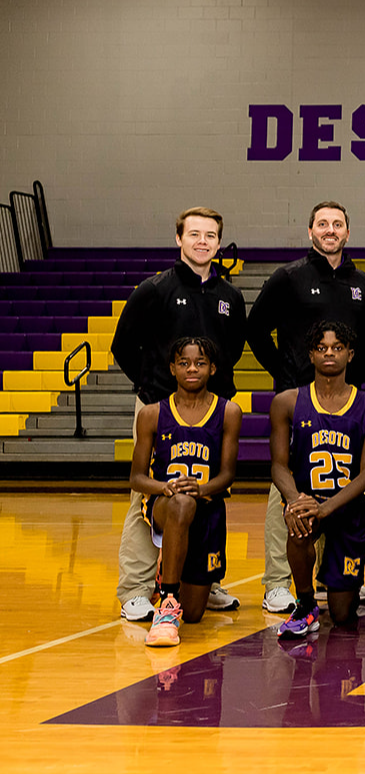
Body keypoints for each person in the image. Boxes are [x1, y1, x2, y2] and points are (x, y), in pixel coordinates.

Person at [111, 206, 247, 622]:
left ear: (219, 243)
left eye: (210, 235)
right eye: (194, 234)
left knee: (210, 494)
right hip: (161, 407)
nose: (202, 241)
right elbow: (122, 346)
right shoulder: (154, 289)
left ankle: (206, 579)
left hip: (210, 411)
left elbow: (234, 349)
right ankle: (135, 588)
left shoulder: (230, 296)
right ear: (179, 239)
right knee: (149, 494)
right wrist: (153, 388)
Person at [247, 201, 365, 614]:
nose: (330, 230)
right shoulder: (289, 276)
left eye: (338, 224)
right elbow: (255, 328)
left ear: (348, 233)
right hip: (300, 396)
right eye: (323, 224)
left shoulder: (361, 281)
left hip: (342, 399)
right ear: (310, 232)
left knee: (338, 481)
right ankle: (278, 582)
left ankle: (333, 575)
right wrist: (284, 371)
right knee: (286, 494)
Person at [268, 321, 365, 638]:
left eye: (337, 348)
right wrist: (296, 499)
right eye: (321, 348)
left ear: (350, 353)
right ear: (310, 355)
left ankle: (341, 586)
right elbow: (278, 466)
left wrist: (328, 507)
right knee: (298, 519)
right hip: (308, 500)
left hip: (348, 506)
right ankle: (305, 603)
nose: (329, 354)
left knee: (342, 613)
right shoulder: (287, 402)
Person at [129, 336, 242, 647]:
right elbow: (136, 478)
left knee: (193, 614)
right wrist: (163, 487)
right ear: (172, 368)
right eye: (184, 363)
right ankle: (166, 604)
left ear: (213, 368)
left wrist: (202, 488)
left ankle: (168, 582)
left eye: (200, 363)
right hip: (166, 505)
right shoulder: (152, 413)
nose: (192, 369)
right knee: (180, 503)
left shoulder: (228, 412)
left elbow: (228, 475)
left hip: (207, 509)